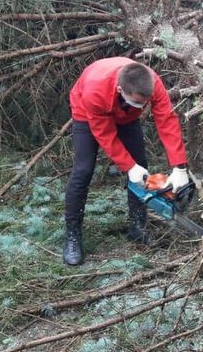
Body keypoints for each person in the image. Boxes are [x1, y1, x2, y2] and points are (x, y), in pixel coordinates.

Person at [63, 57, 189, 266]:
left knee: (141, 164)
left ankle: (137, 226)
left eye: (145, 103)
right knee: (83, 170)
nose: (143, 107)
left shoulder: (153, 82)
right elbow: (104, 134)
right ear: (120, 89)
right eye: (139, 103)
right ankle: (72, 235)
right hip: (88, 112)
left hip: (126, 116)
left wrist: (180, 166)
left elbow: (166, 119)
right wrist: (128, 166)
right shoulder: (95, 90)